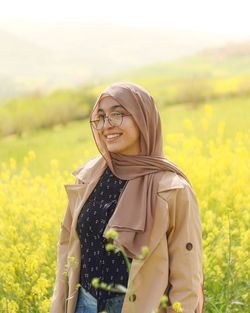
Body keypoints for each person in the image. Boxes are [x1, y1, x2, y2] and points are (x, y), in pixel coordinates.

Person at [50, 82, 204, 313]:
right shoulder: (88, 177)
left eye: (118, 114)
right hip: (83, 304)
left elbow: (187, 278)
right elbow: (67, 249)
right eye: (100, 117)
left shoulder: (172, 189)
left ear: (143, 117)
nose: (106, 125)